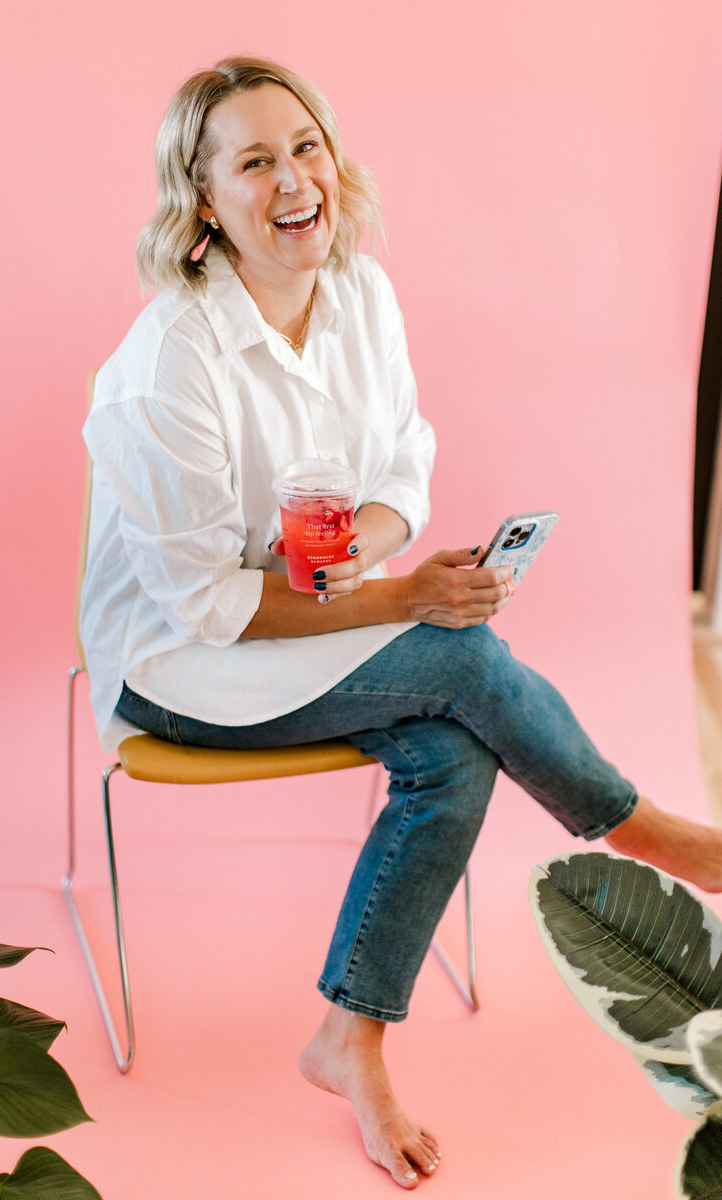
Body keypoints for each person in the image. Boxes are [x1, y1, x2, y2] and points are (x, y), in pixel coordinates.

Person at [80, 56, 722, 1190]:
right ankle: (645, 832)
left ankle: (348, 1039)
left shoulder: (360, 296)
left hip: (315, 619)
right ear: (204, 203)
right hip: (182, 663)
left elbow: (402, 468)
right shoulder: (165, 369)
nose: (293, 179)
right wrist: (403, 600)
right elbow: (202, 604)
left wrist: (364, 555)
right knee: (464, 664)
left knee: (449, 748)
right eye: (254, 161)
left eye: (306, 146)